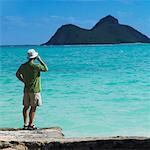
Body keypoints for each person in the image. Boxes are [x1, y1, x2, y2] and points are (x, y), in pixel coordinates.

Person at [16, 49, 48, 130]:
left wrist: (23, 81)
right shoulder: (36, 66)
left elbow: (17, 74)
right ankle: (31, 125)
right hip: (35, 90)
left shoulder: (23, 66)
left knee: (26, 107)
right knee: (33, 107)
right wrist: (40, 59)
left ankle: (25, 124)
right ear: (35, 57)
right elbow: (46, 68)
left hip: (26, 89)